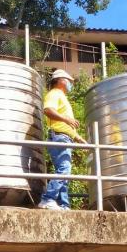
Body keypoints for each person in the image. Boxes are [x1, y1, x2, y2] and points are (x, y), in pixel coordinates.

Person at [38, 69, 87, 210]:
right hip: (59, 136)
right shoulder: (55, 93)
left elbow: (67, 126)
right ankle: (47, 199)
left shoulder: (62, 97)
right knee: (64, 169)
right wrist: (66, 118)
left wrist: (79, 139)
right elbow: (48, 110)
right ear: (60, 80)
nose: (71, 84)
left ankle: (63, 205)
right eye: (69, 81)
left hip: (64, 136)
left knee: (65, 173)